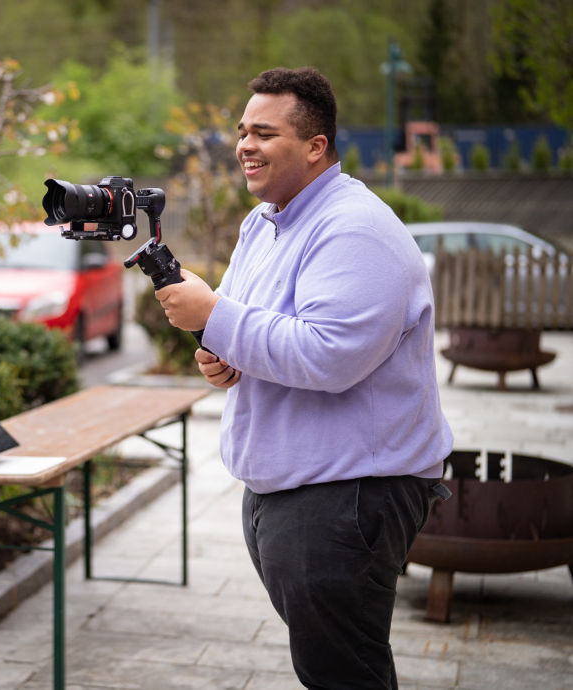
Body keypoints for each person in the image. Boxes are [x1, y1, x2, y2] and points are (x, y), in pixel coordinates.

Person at [155, 66, 453, 689]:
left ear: (316, 146)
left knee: (343, 674)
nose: (245, 145)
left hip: (348, 492)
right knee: (330, 663)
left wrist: (213, 317)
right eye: (243, 131)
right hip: (295, 491)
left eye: (264, 133)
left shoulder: (354, 229)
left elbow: (330, 355)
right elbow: (249, 326)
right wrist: (219, 353)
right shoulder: (263, 222)